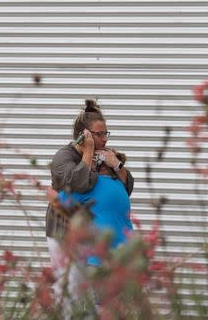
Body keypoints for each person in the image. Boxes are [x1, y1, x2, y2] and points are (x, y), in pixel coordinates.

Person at [45, 99, 134, 308]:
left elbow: (126, 187)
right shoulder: (63, 157)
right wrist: (88, 152)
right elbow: (80, 183)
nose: (104, 139)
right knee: (71, 290)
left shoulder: (104, 154)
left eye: (106, 134)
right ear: (84, 135)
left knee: (93, 291)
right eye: (99, 134)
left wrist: (116, 164)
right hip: (64, 231)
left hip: (92, 233)